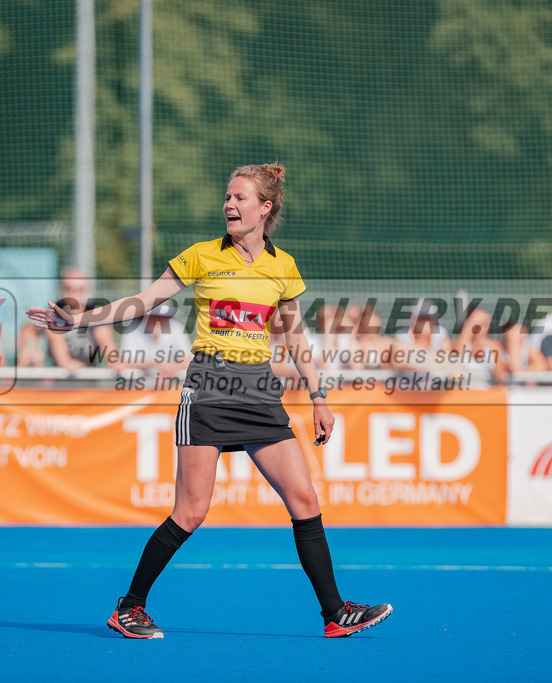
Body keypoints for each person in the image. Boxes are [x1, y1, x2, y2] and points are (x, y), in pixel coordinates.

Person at [27, 163, 391, 640]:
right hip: (209, 390)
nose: (229, 205)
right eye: (227, 197)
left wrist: (318, 396)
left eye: (240, 198)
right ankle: (129, 607)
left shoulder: (282, 266)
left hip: (260, 391)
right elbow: (143, 301)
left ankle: (334, 613)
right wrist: (79, 320)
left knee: (305, 500)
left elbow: (295, 337)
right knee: (191, 512)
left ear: (265, 208)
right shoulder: (201, 256)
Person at [46, 268, 123, 374]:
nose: (73, 293)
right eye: (68, 288)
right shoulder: (54, 314)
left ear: (87, 290)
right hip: (62, 380)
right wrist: (66, 362)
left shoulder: (95, 313)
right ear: (61, 289)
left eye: (79, 289)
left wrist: (113, 361)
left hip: (89, 380)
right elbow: (57, 343)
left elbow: (106, 342)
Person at [116, 300, 191, 385]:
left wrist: (171, 368)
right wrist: (155, 364)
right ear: (145, 317)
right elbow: (123, 362)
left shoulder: (177, 329)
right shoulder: (132, 331)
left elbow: (188, 359)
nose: (158, 321)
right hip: (138, 388)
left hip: (171, 388)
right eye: (154, 316)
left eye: (162, 317)